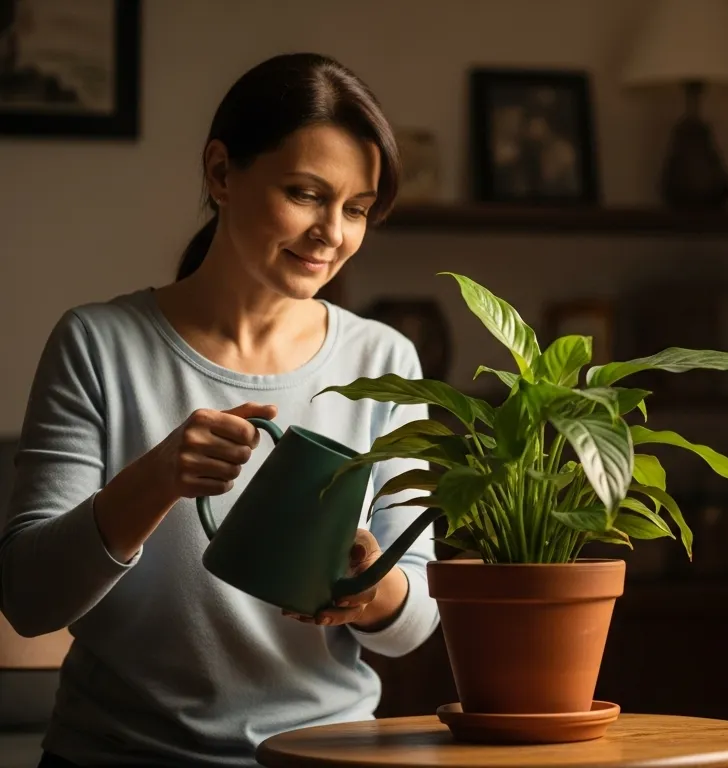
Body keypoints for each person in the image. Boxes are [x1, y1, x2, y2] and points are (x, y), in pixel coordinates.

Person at [0, 52, 440, 767]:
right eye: (306, 193)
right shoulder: (98, 344)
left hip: (325, 756)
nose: (333, 233)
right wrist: (158, 478)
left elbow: (413, 624)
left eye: (356, 210)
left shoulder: (383, 361)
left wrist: (372, 586)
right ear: (220, 173)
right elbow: (28, 599)